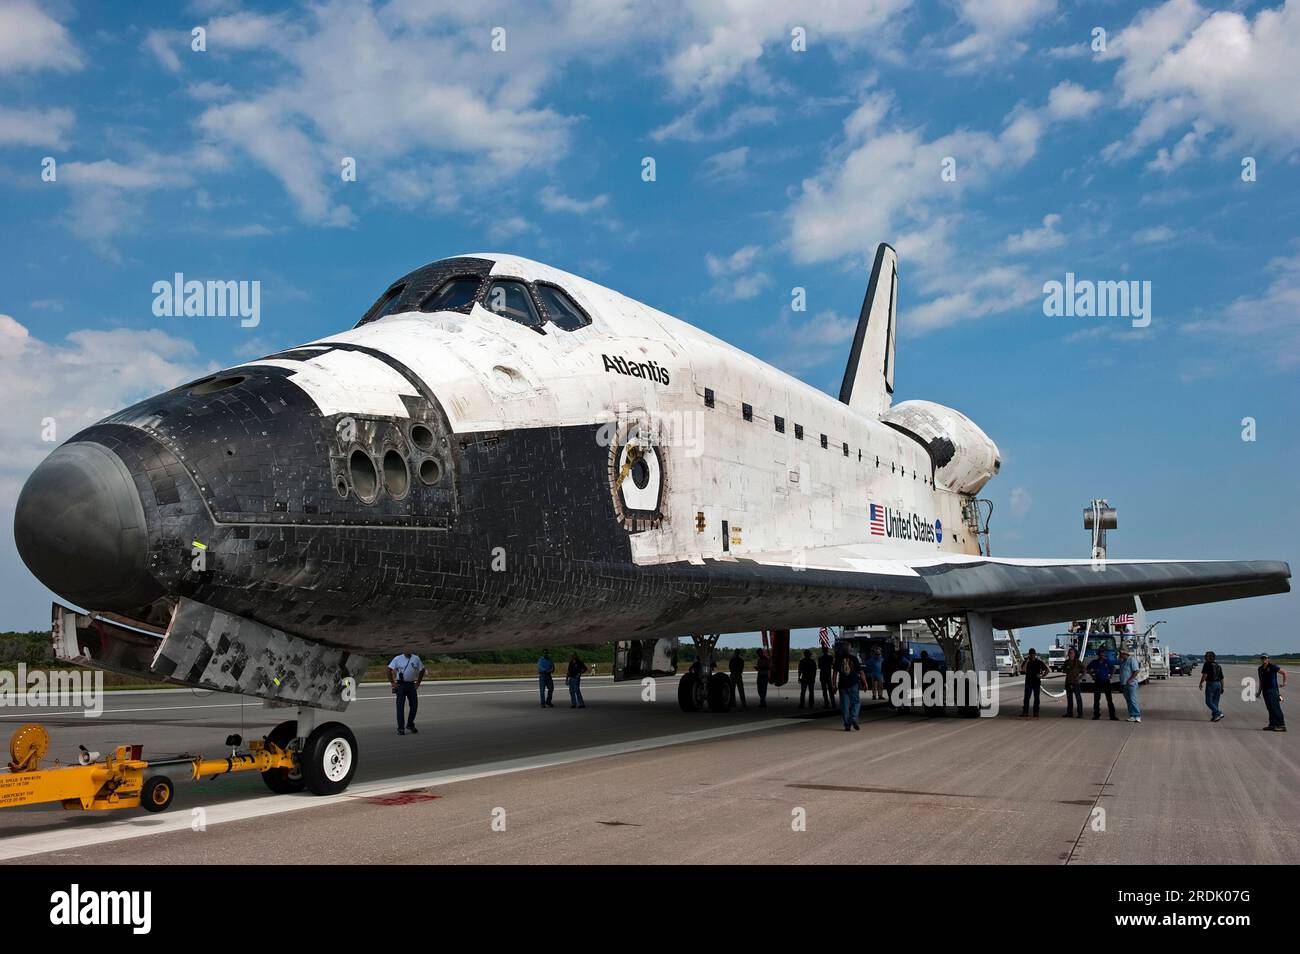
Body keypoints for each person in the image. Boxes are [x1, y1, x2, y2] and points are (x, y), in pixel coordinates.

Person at [387, 648, 425, 735]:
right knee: (400, 707)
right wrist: (393, 683)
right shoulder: (397, 658)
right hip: (401, 685)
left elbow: (422, 670)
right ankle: (401, 728)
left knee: (414, 706)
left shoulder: (416, 658)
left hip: (411, 685)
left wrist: (418, 682)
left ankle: (410, 724)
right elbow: (388, 669)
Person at [835, 643, 863, 731]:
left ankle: (847, 724)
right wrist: (865, 682)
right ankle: (853, 718)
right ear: (850, 649)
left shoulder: (838, 659)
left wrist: (833, 685)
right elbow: (860, 672)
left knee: (844, 705)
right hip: (853, 684)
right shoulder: (854, 659)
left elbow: (835, 673)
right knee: (856, 702)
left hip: (842, 685)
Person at [1087, 649, 1119, 720]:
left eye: (1103, 654)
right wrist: (1092, 675)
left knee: (1109, 699)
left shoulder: (1107, 662)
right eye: (1101, 654)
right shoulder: (1094, 662)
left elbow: (1114, 668)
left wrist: (1111, 675)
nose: (1102, 656)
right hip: (1097, 681)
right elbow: (1087, 669)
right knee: (1096, 699)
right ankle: (1096, 715)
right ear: (1098, 655)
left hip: (1106, 681)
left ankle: (1112, 716)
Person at [1258, 654, 1288, 731]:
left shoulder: (1272, 666)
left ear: (1268, 659)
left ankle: (1281, 725)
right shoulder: (1260, 669)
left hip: (1273, 690)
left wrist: (1284, 683)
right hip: (1265, 690)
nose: (1264, 659)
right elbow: (1261, 681)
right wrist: (1259, 691)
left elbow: (1284, 672)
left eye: (1265, 658)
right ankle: (1272, 724)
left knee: (1275, 707)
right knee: (1270, 708)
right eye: (1262, 658)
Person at [1020, 648, 1048, 718]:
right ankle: (1025, 712)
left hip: (1036, 682)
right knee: (1026, 698)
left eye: (1033, 654)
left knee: (1036, 698)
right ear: (1029, 655)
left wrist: (1042, 676)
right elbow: (1023, 669)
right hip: (1028, 682)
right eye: (1031, 654)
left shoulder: (1039, 662)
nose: (1032, 655)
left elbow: (1047, 670)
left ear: (1035, 654)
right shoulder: (1026, 662)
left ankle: (1036, 712)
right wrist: (1027, 661)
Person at [1198, 650, 1225, 723]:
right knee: (1215, 702)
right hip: (1218, 684)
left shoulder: (1207, 664)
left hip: (1211, 684)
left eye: (1205, 656)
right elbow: (1222, 678)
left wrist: (1201, 683)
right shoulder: (1218, 665)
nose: (1204, 657)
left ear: (1208, 657)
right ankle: (1215, 716)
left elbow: (1205, 675)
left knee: (1208, 701)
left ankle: (1218, 713)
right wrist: (1222, 687)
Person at [1118, 648, 1141, 723]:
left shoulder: (1132, 660)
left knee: (1132, 699)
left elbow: (1136, 670)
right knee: (1128, 700)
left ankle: (1137, 715)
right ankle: (1132, 715)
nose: (1120, 655)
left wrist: (1130, 679)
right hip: (1124, 684)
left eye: (1121, 654)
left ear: (1125, 654)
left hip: (1131, 684)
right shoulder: (1122, 662)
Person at [1061, 646, 1084, 718]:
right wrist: (1067, 669)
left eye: (1072, 653)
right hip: (1068, 682)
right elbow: (1063, 670)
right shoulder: (1066, 662)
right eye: (1069, 653)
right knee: (1069, 699)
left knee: (1078, 698)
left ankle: (1080, 713)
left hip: (1075, 683)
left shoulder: (1078, 662)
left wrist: (1080, 677)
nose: (1070, 654)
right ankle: (1069, 713)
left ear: (1074, 654)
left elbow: (1084, 670)